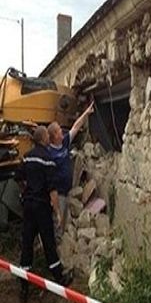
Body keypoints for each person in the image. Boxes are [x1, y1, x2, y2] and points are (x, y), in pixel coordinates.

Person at [16, 126, 73, 303]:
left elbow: (18, 177)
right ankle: (59, 278)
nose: (50, 137)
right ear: (43, 138)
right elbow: (53, 191)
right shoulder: (48, 160)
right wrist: (56, 212)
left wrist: (25, 193)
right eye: (48, 135)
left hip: (28, 207)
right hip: (41, 207)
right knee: (48, 241)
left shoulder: (27, 157)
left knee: (27, 243)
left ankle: (23, 286)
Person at [47, 101, 94, 239]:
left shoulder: (65, 143)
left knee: (64, 221)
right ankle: (56, 253)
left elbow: (76, 126)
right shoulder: (49, 153)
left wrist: (86, 113)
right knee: (58, 222)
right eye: (59, 131)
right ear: (54, 136)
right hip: (58, 195)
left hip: (67, 192)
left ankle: (61, 248)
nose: (62, 131)